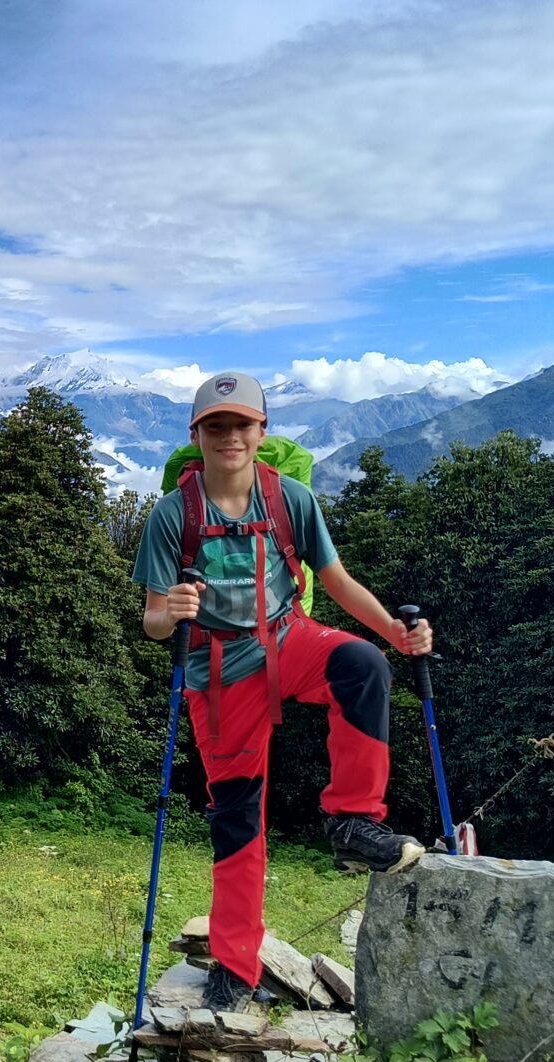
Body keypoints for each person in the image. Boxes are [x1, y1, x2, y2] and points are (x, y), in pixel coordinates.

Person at [131, 371, 433, 1013]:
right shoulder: (172, 514)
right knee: (237, 817)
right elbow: (154, 622)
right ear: (198, 435)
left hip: (287, 637)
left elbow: (338, 581)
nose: (230, 436)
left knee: (363, 665)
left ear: (262, 432)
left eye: (242, 424)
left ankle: (353, 821)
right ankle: (235, 966)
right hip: (218, 671)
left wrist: (395, 634)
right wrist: (173, 610)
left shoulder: (290, 497)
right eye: (217, 426)